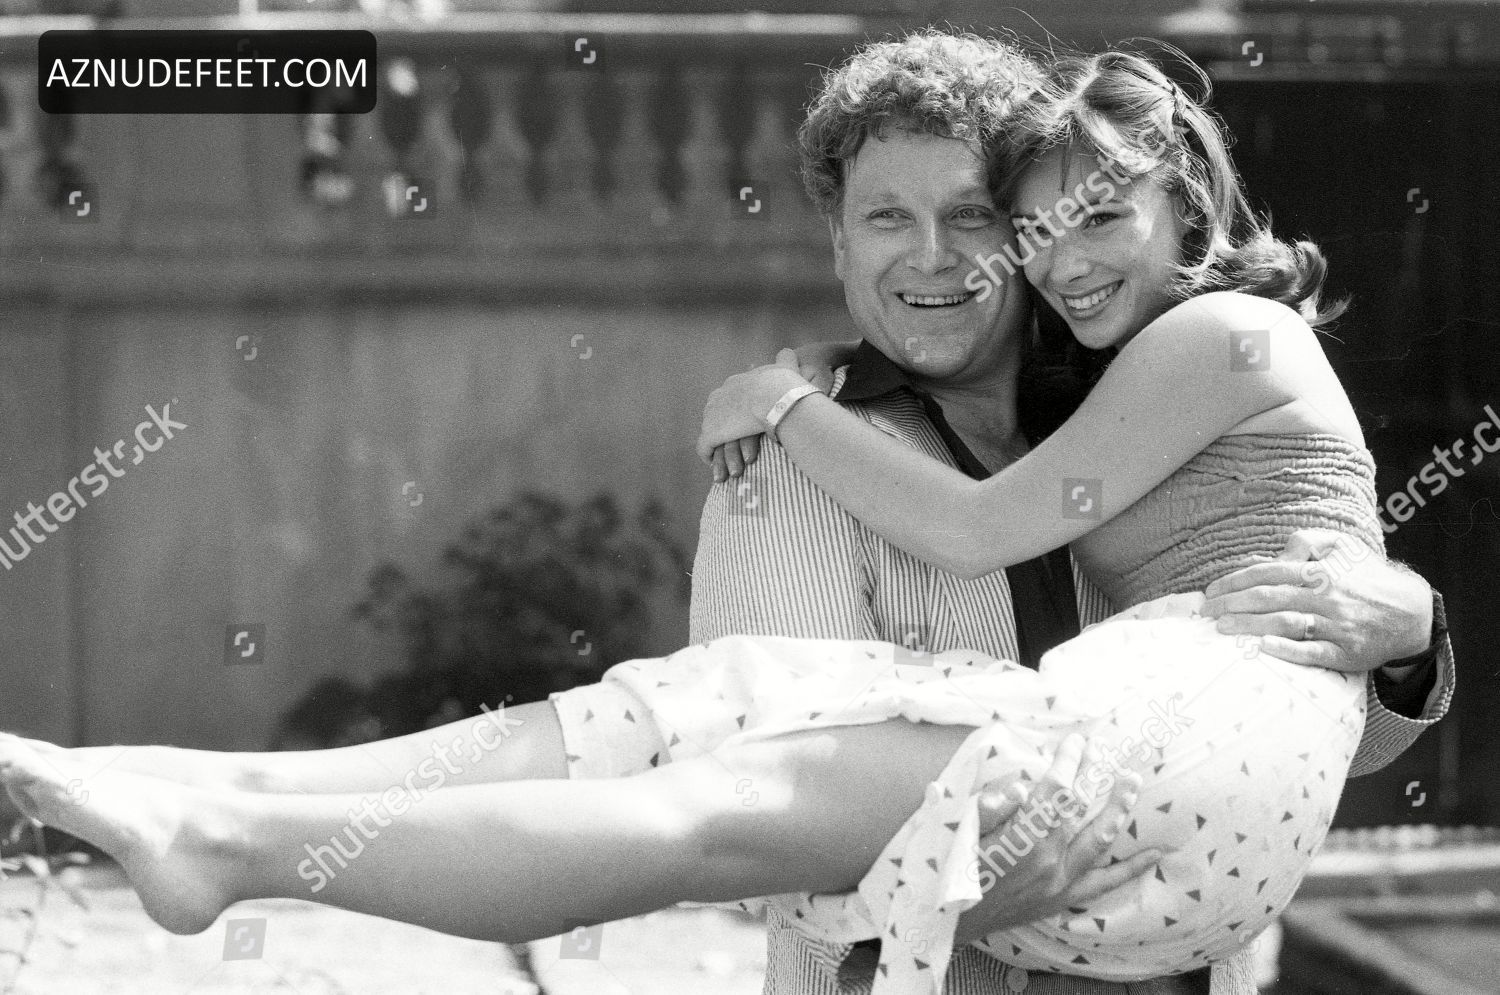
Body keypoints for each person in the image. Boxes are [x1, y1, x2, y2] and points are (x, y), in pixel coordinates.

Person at [0, 30, 1451, 995]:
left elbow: (1321, 700)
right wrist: (804, 410)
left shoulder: (1137, 388)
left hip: (1154, 911)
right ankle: (218, 801)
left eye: (979, 220)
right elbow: (757, 815)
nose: (944, 260)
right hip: (931, 952)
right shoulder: (808, 460)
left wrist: (1411, 628)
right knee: (673, 728)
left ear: (1177, 210)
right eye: (890, 220)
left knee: (699, 778)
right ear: (838, 244)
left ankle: (228, 836)